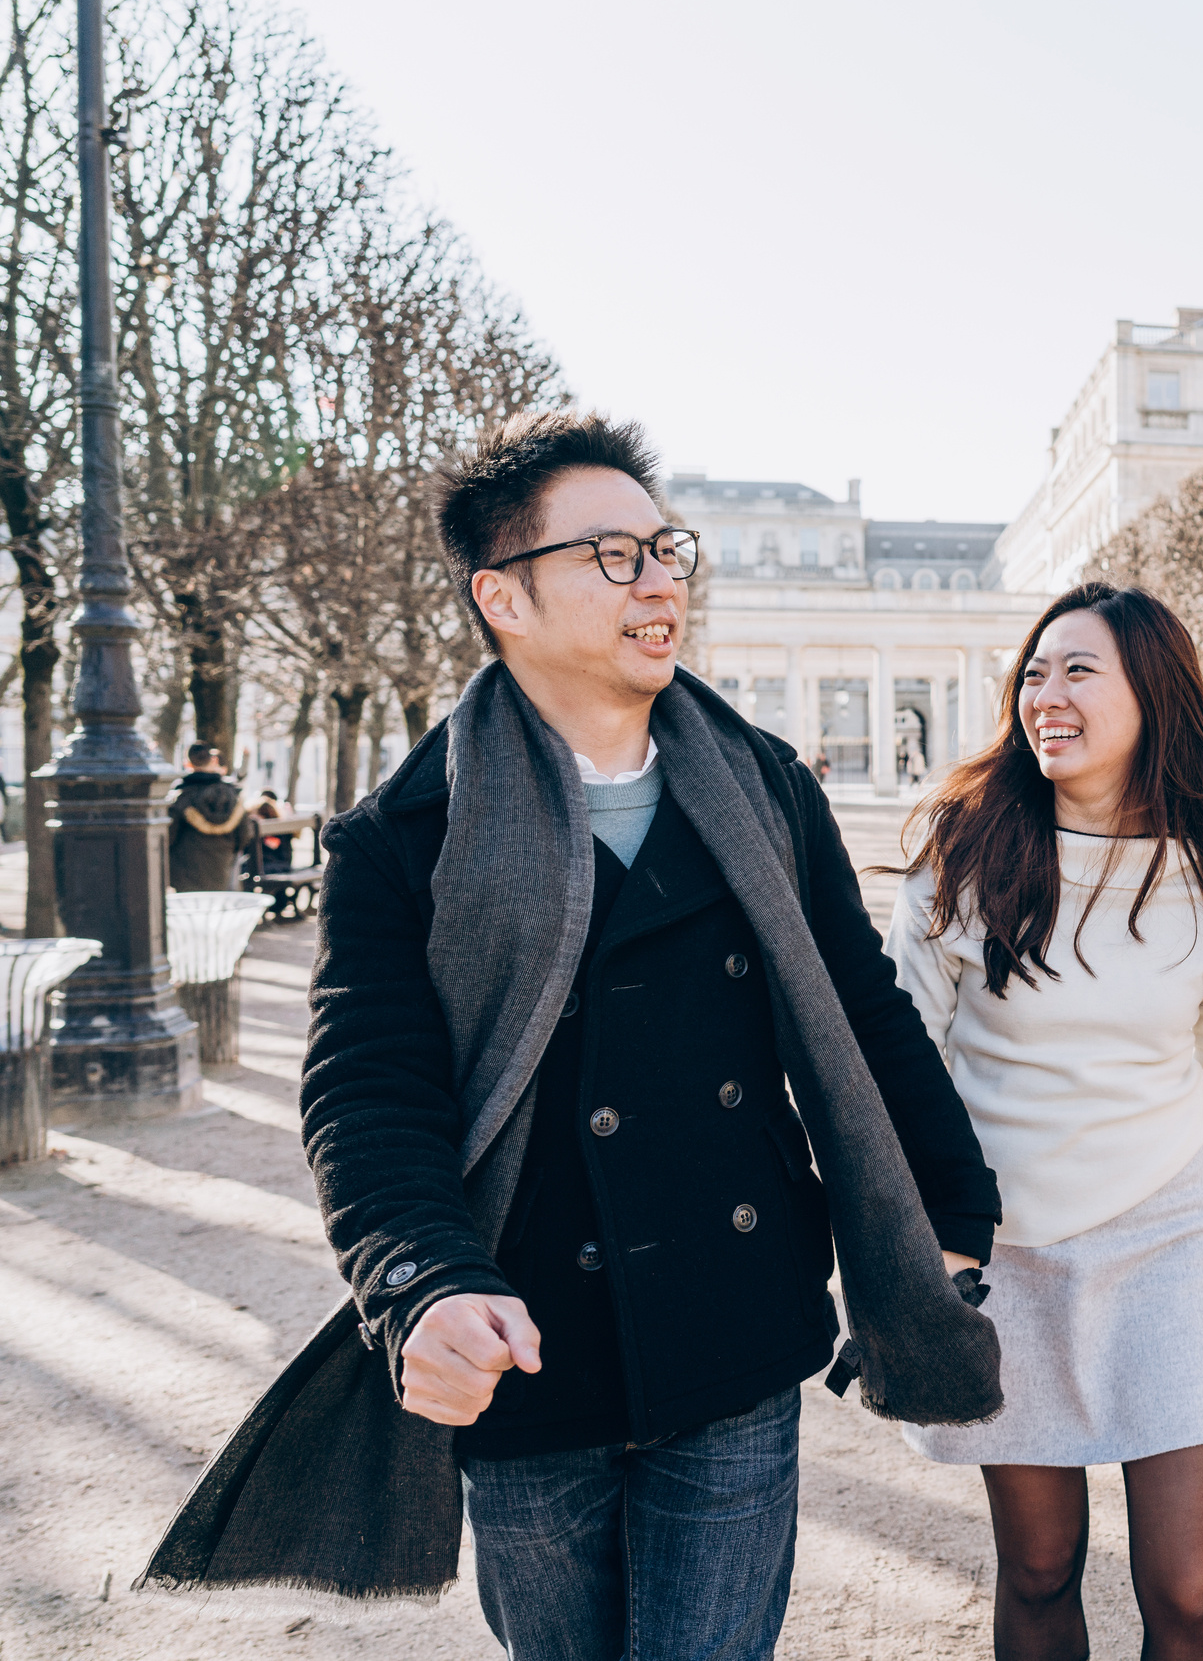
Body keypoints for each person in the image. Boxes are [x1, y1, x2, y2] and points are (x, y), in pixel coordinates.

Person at [137, 411, 1004, 1655]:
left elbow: (863, 1015)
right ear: (504, 596)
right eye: (613, 557)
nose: (661, 582)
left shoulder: (765, 784)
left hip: (734, 1325)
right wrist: (421, 1282)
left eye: (667, 550)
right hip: (533, 1347)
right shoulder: (408, 830)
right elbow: (370, 1088)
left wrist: (951, 1220)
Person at [887, 581, 1203, 1661]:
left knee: (1189, 1590)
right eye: (1033, 672)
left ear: (1150, 696)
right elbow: (899, 1064)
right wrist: (907, 1253)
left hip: (1161, 1237)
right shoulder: (964, 852)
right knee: (1036, 1569)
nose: (1046, 693)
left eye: (1078, 670)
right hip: (1003, 1253)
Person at [167, 742, 255, 891]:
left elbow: (169, 835)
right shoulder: (233, 795)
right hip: (224, 868)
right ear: (213, 760)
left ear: (188, 763)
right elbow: (245, 834)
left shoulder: (181, 797)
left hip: (185, 871)